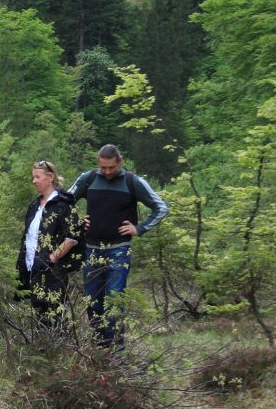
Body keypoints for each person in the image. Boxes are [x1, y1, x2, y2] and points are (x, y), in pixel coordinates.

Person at [67, 144, 168, 347]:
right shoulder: (88, 179)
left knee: (114, 301)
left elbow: (161, 207)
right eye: (103, 167)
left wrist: (140, 229)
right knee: (93, 302)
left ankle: (116, 351)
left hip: (119, 250)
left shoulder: (133, 182)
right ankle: (98, 348)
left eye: (111, 167)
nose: (107, 171)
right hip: (91, 250)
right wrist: (76, 222)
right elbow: (62, 202)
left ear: (120, 162)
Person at [16, 160, 79, 326]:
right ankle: (41, 348)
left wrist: (51, 258)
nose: (34, 181)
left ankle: (56, 348)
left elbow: (71, 238)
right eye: (33, 177)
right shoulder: (34, 205)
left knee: (53, 313)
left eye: (37, 177)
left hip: (53, 270)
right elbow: (28, 236)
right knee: (38, 312)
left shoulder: (63, 203)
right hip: (32, 267)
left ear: (50, 178)